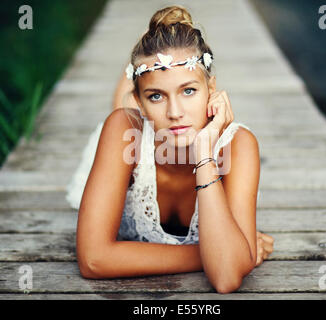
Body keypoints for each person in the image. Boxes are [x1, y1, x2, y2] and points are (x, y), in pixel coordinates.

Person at [66, 5, 274, 294]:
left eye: (189, 91)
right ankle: (139, 76)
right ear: (139, 102)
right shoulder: (124, 128)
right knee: (120, 116)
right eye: (156, 96)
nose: (176, 112)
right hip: (137, 138)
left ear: (212, 89)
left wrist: (204, 155)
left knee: (154, 116)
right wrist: (219, 254)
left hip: (170, 135)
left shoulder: (239, 146)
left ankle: (153, 73)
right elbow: (93, 260)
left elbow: (226, 278)